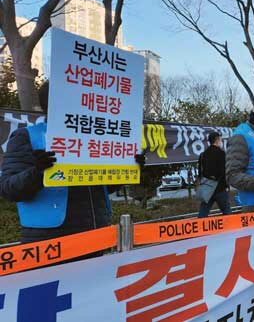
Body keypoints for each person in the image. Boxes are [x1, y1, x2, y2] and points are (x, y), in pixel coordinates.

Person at [0, 82, 145, 254]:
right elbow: (9, 189)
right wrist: (38, 172)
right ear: (51, 104)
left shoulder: (94, 139)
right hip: (49, 243)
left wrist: (128, 169)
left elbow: (106, 188)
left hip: (97, 235)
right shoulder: (26, 136)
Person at [197, 132, 231, 218]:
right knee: (227, 213)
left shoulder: (203, 154)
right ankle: (231, 231)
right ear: (217, 139)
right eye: (220, 139)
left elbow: (200, 172)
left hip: (207, 188)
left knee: (203, 214)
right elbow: (224, 171)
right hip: (220, 188)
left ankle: (201, 230)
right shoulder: (221, 153)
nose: (221, 141)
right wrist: (226, 184)